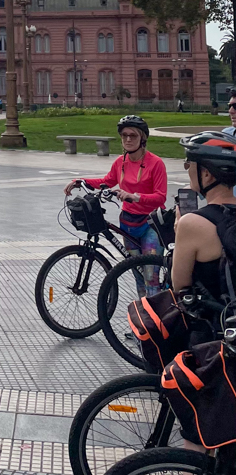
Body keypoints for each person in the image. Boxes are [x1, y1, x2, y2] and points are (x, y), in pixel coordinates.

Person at [171, 131, 236, 452]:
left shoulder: (193, 224)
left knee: (198, 438)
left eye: (190, 165)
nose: (187, 169)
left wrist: (179, 229)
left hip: (212, 342)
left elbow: (179, 285)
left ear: (207, 173)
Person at [64, 116, 168, 295]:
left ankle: (158, 319)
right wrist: (80, 181)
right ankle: (144, 315)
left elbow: (160, 197)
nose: (128, 139)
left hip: (150, 224)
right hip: (128, 224)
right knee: (138, 274)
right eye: (124, 135)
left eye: (133, 136)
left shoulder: (155, 163)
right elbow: (107, 181)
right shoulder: (121, 162)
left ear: (142, 138)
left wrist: (135, 197)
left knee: (150, 275)